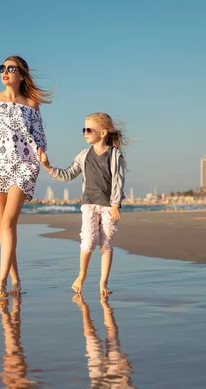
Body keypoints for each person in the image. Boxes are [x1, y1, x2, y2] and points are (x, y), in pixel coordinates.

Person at [0, 55, 51, 298]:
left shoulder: (31, 105)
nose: (5, 72)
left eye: (11, 68)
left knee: (8, 223)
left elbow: (40, 139)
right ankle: (16, 279)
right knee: (4, 227)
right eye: (2, 68)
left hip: (23, 166)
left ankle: (0, 282)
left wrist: (41, 153)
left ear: (21, 74)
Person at [41, 112, 127, 295]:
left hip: (108, 205)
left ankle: (103, 283)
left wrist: (115, 204)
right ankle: (81, 275)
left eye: (89, 129)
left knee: (106, 243)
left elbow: (118, 181)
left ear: (103, 133)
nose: (85, 133)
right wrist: (48, 166)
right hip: (88, 204)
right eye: (83, 129)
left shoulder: (114, 155)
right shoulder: (83, 155)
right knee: (88, 241)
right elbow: (68, 174)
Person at [73, 294, 134, 388]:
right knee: (109, 336)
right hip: (115, 381)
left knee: (95, 339)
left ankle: (86, 307)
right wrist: (125, 376)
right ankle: (103, 304)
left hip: (103, 383)